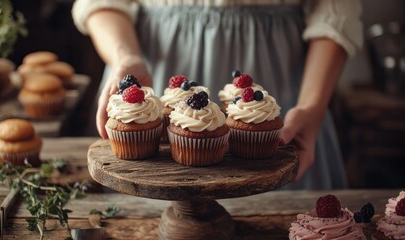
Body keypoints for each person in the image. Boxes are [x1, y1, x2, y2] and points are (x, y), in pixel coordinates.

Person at [72, 0, 362, 189]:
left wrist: (312, 106)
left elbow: (336, 10)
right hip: (151, 73)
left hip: (280, 83)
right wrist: (125, 57)